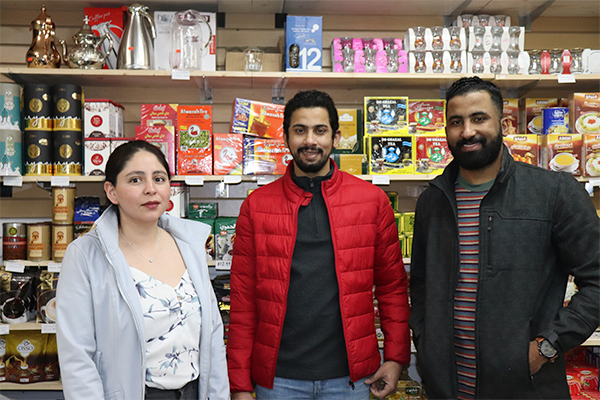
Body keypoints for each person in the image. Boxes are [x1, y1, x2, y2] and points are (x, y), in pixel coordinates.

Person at [409, 76, 600, 399]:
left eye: (479, 118)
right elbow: (422, 284)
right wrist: (426, 343)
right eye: (456, 122)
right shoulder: (433, 199)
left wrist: (548, 345)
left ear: (503, 124)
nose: (467, 131)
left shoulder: (554, 193)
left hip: (525, 387)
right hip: (447, 388)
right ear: (445, 131)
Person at [227, 90, 411, 399]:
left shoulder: (372, 201)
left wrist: (395, 358)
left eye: (320, 130)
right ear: (286, 137)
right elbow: (243, 301)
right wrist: (240, 385)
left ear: (336, 137)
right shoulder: (256, 206)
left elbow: (392, 287)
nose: (310, 141)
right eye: (300, 130)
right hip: (278, 380)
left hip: (351, 380)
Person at [56, 140, 229, 400]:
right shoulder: (85, 255)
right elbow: (77, 357)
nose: (151, 189)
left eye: (159, 179)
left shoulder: (190, 246)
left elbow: (213, 339)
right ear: (112, 192)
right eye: (135, 180)